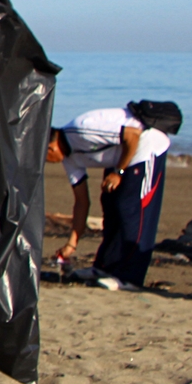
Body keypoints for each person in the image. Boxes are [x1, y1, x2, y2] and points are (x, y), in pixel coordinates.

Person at [46, 106, 172, 291]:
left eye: (45, 158)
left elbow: (133, 135)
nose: (48, 162)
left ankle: (130, 277)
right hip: (122, 158)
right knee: (110, 204)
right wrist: (71, 244)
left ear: (51, 147)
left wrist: (118, 173)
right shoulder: (69, 158)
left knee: (130, 208)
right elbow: (82, 201)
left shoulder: (81, 129)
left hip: (147, 146)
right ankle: (105, 267)